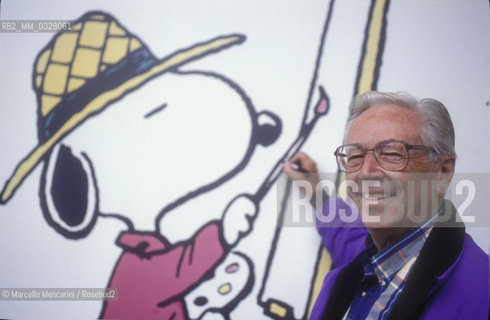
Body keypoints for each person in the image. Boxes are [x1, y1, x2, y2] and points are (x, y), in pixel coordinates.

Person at [284, 91, 489, 319]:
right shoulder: (368, 261)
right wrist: (315, 191)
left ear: (443, 171)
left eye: (392, 153)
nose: (366, 172)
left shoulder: (483, 293)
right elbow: (344, 232)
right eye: (354, 157)